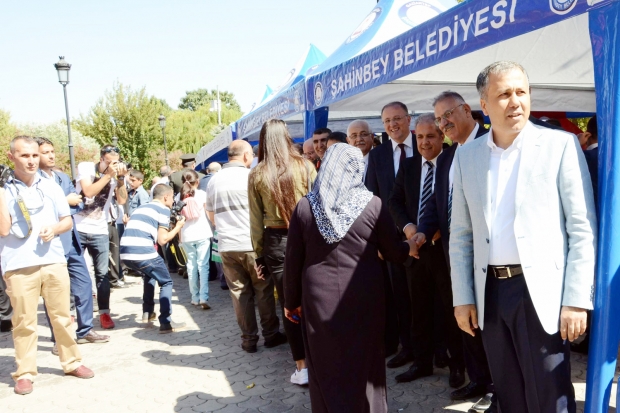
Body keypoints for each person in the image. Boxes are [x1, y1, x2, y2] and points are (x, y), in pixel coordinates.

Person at [449, 61, 596, 413]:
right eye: (503, 94)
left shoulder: (559, 145)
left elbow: (582, 227)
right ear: (483, 105)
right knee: (510, 396)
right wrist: (463, 297)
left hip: (540, 293)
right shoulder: (467, 156)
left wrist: (576, 299)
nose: (515, 101)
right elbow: (461, 235)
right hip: (491, 295)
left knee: (551, 399)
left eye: (521, 92)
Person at [283, 143, 417, 413]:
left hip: (318, 300)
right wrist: (409, 247)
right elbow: (392, 251)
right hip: (364, 297)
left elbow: (292, 262)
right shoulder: (372, 205)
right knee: (366, 364)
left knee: (325, 366)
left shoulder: (305, 208)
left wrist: (290, 301)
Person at [412, 91, 495, 410]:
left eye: (448, 116)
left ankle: (498, 385)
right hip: (455, 257)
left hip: (491, 258)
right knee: (466, 319)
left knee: (491, 324)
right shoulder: (446, 157)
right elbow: (435, 205)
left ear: (466, 110)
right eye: (439, 119)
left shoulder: (492, 143)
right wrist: (421, 233)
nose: (444, 123)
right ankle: (479, 379)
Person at [1, 136, 95, 395]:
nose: (31, 161)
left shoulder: (51, 185)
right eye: (24, 156)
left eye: (34, 155)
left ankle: (72, 362)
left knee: (62, 317)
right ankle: (25, 373)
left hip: (53, 260)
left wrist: (54, 229)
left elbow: (66, 220)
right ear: (12, 157)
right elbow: (4, 228)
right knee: (24, 322)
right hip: (19, 265)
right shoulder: (4, 189)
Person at [388, 114, 465, 388]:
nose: (424, 142)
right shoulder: (408, 167)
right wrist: (409, 228)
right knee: (417, 309)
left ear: (441, 136)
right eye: (419, 137)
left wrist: (441, 226)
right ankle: (422, 363)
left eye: (430, 136)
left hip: (444, 251)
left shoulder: (453, 162)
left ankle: (458, 365)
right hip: (416, 251)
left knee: (450, 310)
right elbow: (394, 201)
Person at [248, 119, 316, 385]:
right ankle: (321, 357)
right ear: (287, 137)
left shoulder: (257, 173)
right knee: (314, 299)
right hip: (308, 237)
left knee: (289, 304)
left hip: (275, 242)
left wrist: (258, 255)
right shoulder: (305, 166)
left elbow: (254, 220)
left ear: (264, 140)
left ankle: (302, 367)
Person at [205, 140, 284, 353]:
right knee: (263, 290)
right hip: (252, 245)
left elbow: (210, 214)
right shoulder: (252, 176)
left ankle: (249, 339)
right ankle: (271, 335)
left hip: (227, 246)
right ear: (247, 156)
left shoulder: (214, 180)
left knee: (240, 294)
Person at [37, 137, 110, 354]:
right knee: (55, 293)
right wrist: (63, 200)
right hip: (51, 243)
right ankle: (58, 339)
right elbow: (47, 207)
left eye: (52, 151)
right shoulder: (35, 179)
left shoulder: (60, 176)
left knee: (84, 286)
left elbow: (78, 202)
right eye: (45, 152)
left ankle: (85, 329)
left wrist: (66, 202)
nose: (51, 155)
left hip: (72, 240)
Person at [366, 101, 417, 367]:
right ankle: (408, 348)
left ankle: (438, 351)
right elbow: (371, 199)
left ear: (409, 119)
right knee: (400, 298)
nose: (392, 125)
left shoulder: (426, 143)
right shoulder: (378, 155)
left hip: (426, 236)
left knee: (430, 297)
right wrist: (376, 239)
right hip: (392, 240)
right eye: (387, 121)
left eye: (397, 119)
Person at [120, 184, 187, 333]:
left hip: (125, 252)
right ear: (166, 197)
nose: (173, 202)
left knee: (150, 275)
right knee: (166, 281)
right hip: (142, 251)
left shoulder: (141, 207)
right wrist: (178, 227)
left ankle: (148, 312)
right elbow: (163, 240)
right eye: (172, 198)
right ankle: (166, 322)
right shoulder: (162, 209)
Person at [75, 144, 129, 329]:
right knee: (76, 272)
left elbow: (122, 200)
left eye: (116, 161)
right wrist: (108, 175)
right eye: (109, 161)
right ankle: (73, 312)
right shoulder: (86, 167)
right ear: (101, 159)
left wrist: (120, 179)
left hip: (100, 229)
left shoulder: (115, 177)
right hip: (79, 227)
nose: (113, 165)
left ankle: (104, 313)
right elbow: (88, 191)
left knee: (103, 274)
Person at [179, 169, 213, 309]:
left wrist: (180, 237)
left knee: (191, 266)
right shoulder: (202, 195)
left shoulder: (179, 197)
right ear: (197, 182)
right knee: (203, 265)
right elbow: (209, 214)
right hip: (202, 233)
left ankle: (194, 297)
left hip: (186, 234)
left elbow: (177, 219)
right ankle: (204, 297)